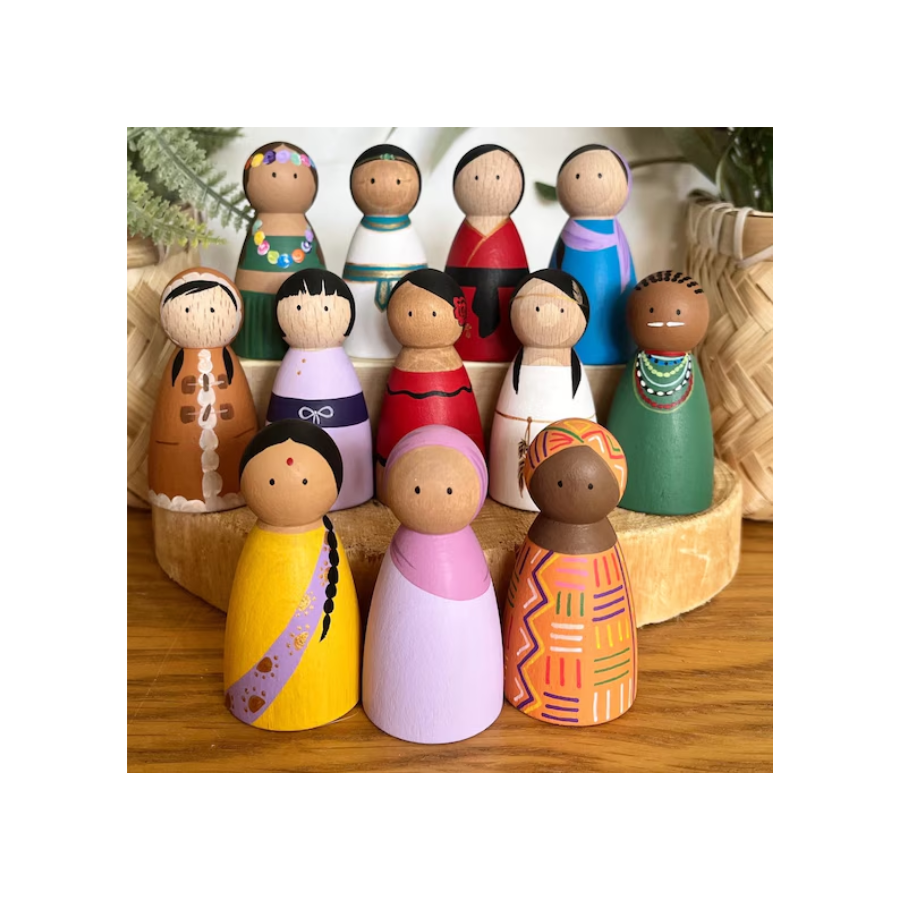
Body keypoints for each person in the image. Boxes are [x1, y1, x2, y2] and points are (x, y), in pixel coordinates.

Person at [363, 425, 502, 743]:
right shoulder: (406, 550)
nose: (431, 492)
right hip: (394, 707)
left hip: (473, 708)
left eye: (450, 489)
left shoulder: (463, 552)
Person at [223, 420, 360, 731]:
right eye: (270, 481)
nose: (286, 483)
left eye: (305, 479)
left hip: (330, 694)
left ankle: (327, 694)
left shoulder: (323, 544)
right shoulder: (263, 546)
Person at [504, 418, 637, 726]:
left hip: (598, 692)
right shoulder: (542, 543)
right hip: (532, 688)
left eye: (590, 485)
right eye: (561, 484)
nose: (574, 488)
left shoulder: (599, 554)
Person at [148, 267, 257, 512]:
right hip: (181, 450)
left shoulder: (228, 360)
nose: (200, 316)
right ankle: (178, 491)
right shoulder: (177, 363)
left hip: (231, 444)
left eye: (212, 310)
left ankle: (234, 490)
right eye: (187, 310)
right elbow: (168, 410)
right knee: (180, 466)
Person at [606, 271, 714, 515]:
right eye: (651, 311)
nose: (665, 320)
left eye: (679, 312)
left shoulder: (689, 368)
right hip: (626, 483)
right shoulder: (636, 366)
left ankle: (685, 492)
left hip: (689, 493)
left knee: (686, 452)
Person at [489, 269, 597, 511]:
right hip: (511, 478)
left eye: (561, 310)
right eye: (536, 308)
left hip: (570, 479)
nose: (547, 317)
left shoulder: (573, 369)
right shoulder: (519, 367)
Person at [267, 269, 373, 509]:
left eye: (326, 308)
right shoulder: (291, 366)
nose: (310, 317)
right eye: (298, 308)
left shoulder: (339, 366)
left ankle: (347, 488)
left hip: (351, 473)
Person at [374, 269, 484, 499]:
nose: (419, 318)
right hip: (399, 484)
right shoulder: (406, 366)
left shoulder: (450, 367)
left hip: (462, 483)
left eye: (434, 313)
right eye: (410, 313)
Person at [233, 142, 324, 360]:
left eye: (295, 175)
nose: (283, 178)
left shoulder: (301, 227)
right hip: (255, 313)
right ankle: (256, 345)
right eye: (273, 174)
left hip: (307, 330)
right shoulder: (259, 229)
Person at [551, 144, 636, 364]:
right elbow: (552, 280)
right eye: (577, 175)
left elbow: (627, 287)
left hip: (616, 350)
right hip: (565, 348)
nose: (587, 180)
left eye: (600, 175)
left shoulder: (613, 235)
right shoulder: (570, 234)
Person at [342, 144, 428, 359]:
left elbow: (420, 283)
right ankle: (360, 343)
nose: (386, 185)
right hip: (361, 321)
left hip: (407, 320)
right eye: (372, 180)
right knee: (362, 325)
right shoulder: (363, 234)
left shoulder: (408, 234)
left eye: (398, 181)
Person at [444, 144, 529, 361]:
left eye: (498, 177)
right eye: (475, 178)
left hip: (508, 338)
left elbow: (518, 280)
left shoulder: (508, 233)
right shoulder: (466, 233)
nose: (486, 182)